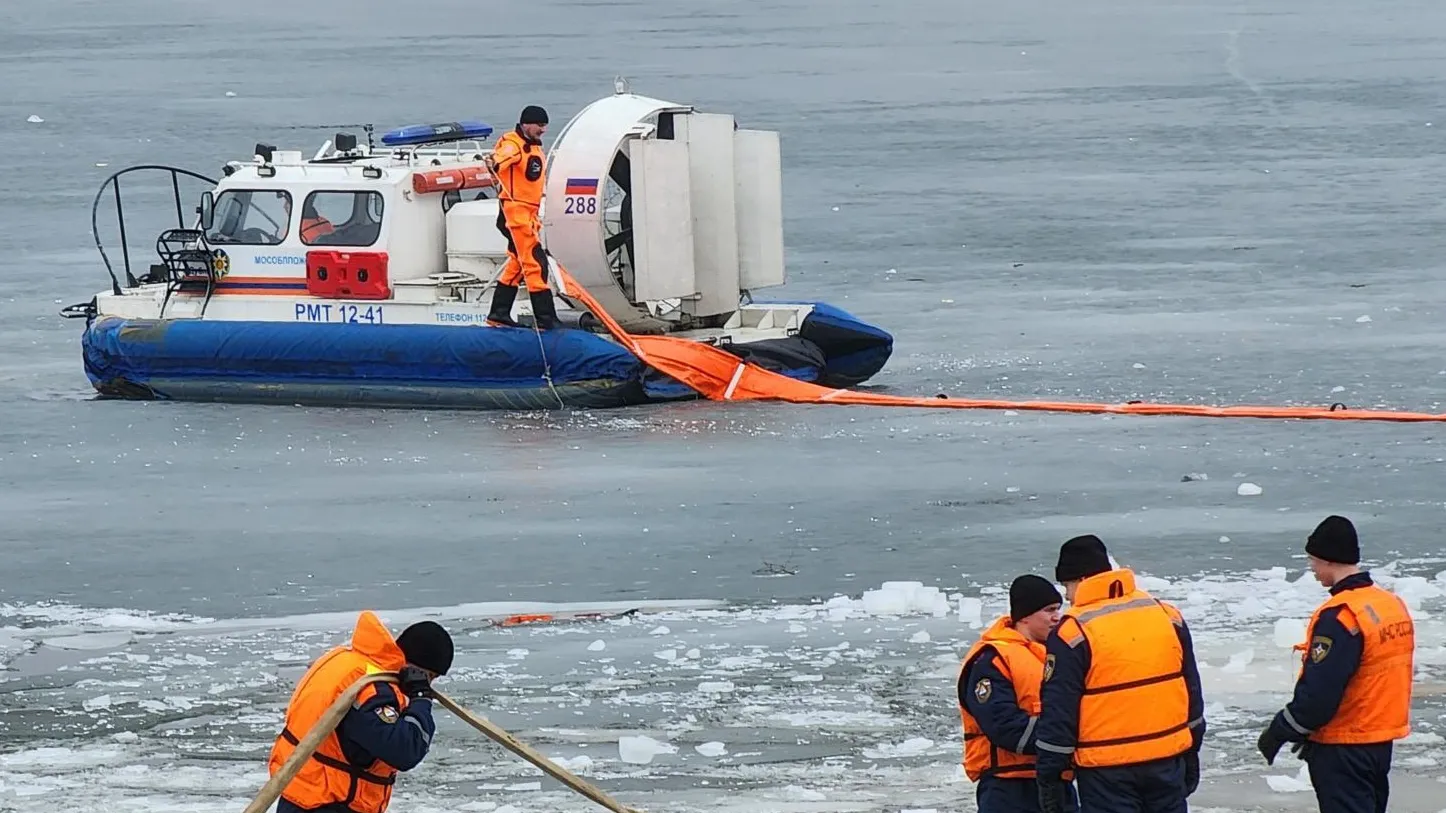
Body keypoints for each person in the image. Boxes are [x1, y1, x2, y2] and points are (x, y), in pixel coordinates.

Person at [1034, 535, 1206, 813]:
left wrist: (1050, 776)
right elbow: (1191, 690)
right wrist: (1192, 747)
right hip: (1167, 759)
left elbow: (1059, 711)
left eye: (1067, 585)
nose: (1067, 596)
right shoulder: (1166, 615)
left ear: (1081, 580)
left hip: (1106, 772)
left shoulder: (1074, 632)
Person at [1256, 515, 1415, 813]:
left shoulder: (1342, 617)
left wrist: (1282, 729)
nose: (1313, 570)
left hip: (1344, 744)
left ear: (1329, 561)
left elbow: (1321, 692)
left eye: (1313, 562)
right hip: (1379, 739)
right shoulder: (1389, 605)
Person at [267, 611, 455, 813]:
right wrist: (420, 698)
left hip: (302, 793)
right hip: (330, 801)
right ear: (418, 670)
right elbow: (405, 750)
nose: (430, 683)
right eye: (430, 677)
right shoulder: (371, 690)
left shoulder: (345, 662)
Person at [959, 575, 1079, 812]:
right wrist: (1062, 739)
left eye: (1058, 609)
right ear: (1024, 615)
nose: (1058, 617)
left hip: (1057, 781)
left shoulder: (1059, 655)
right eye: (1049, 610)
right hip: (1008, 786)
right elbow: (1004, 726)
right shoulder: (992, 660)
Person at [485, 104, 558, 330]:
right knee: (535, 264)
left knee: (517, 264)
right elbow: (500, 158)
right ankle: (546, 320)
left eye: (545, 125)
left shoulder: (534, 148)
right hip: (516, 214)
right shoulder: (513, 145)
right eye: (539, 125)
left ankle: (498, 314)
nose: (543, 130)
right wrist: (493, 162)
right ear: (526, 124)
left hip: (528, 214)